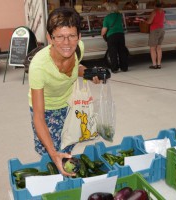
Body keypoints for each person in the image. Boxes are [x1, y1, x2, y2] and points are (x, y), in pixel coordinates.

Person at [28, 7, 100, 176]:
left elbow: (77, 68)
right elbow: (38, 116)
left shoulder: (78, 48)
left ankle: (66, 176)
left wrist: (89, 73)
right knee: (50, 152)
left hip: (69, 105)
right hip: (46, 110)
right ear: (49, 38)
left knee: (68, 145)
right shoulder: (39, 67)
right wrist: (53, 154)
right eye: (59, 36)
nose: (67, 43)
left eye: (72, 36)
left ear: (79, 36)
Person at [101, 2, 128, 73]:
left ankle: (115, 68)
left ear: (108, 9)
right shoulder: (119, 15)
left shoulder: (107, 18)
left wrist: (102, 34)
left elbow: (104, 30)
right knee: (122, 51)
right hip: (121, 35)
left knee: (113, 53)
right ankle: (124, 68)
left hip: (112, 36)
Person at [145, 1, 165, 69]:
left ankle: (154, 65)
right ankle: (159, 64)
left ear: (155, 6)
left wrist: (145, 21)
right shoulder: (162, 11)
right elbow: (164, 21)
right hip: (161, 30)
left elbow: (149, 22)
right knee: (159, 48)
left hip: (155, 30)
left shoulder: (154, 12)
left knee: (152, 48)